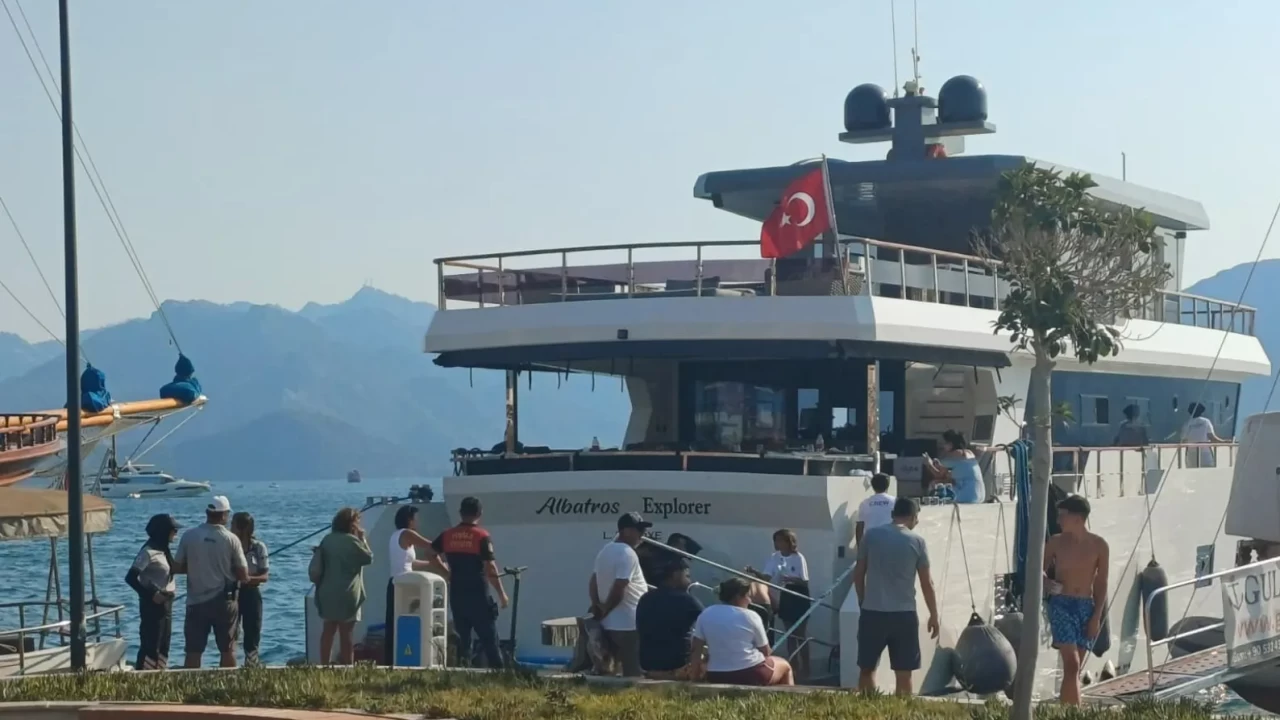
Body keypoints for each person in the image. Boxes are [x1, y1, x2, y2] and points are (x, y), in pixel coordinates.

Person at [853, 497, 939, 696]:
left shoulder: (870, 536)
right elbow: (927, 583)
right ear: (913, 517)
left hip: (872, 612)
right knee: (904, 673)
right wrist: (934, 615)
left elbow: (858, 574)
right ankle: (901, 709)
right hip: (904, 615)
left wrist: (863, 600)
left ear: (892, 514)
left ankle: (867, 707)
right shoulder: (917, 541)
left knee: (867, 669)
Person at [1044, 494, 1110, 706]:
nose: (1058, 520)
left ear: (1077, 518)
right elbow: (1038, 570)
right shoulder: (1056, 542)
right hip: (1061, 604)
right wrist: (1047, 583)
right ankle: (1074, 712)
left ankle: (1069, 711)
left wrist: (1096, 617)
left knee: (1075, 668)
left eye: (1062, 516)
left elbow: (1101, 583)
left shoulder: (1099, 545)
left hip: (1086, 606)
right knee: (1072, 664)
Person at [431, 496, 510, 668]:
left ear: (460, 513)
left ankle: (462, 674)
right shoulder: (481, 536)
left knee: (463, 641)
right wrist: (502, 594)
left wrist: (446, 573)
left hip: (457, 593)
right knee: (490, 640)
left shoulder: (447, 535)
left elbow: (431, 554)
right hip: (478, 593)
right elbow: (490, 568)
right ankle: (500, 675)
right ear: (479, 513)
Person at [173, 495, 248, 669]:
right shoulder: (231, 539)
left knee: (193, 651)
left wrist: (196, 567)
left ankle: (190, 682)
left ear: (207, 513)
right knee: (228, 649)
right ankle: (228, 681)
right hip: (224, 601)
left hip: (195, 602)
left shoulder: (189, 535)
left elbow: (176, 567)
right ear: (224, 515)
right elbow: (243, 574)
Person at [691, 577, 794, 686]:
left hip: (716, 674)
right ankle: (788, 695)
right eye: (747, 596)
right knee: (785, 666)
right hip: (751, 673)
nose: (750, 600)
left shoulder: (706, 614)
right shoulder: (751, 615)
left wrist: (695, 676)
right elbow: (766, 652)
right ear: (738, 597)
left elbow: (696, 648)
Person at [383, 505, 447, 667]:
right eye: (415, 519)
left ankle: (393, 657)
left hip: (396, 581)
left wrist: (430, 564)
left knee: (394, 621)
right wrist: (446, 547)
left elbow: (410, 563)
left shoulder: (395, 535)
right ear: (409, 520)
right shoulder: (407, 533)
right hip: (406, 584)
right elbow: (431, 545)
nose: (417, 522)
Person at [589, 512, 650, 677]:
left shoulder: (605, 550)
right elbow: (620, 585)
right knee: (633, 674)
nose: (643, 535)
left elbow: (593, 581)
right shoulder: (627, 553)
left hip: (609, 624)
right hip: (628, 624)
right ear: (626, 531)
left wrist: (596, 605)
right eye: (639, 530)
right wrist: (605, 609)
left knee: (611, 670)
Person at [315, 507, 374, 665]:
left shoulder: (327, 540)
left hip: (327, 592)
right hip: (347, 592)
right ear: (352, 524)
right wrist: (363, 539)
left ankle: (324, 666)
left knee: (328, 630)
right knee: (346, 633)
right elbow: (369, 558)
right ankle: (347, 667)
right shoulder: (352, 541)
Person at [125, 513, 179, 670]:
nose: (176, 533)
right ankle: (145, 675)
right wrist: (151, 595)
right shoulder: (148, 552)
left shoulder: (164, 550)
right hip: (152, 605)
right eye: (173, 530)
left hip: (167, 604)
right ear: (163, 531)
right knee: (151, 645)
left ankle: (160, 674)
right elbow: (131, 578)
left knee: (164, 645)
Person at [635, 559, 704, 679]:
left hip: (647, 664)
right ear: (676, 575)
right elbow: (710, 623)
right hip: (677, 664)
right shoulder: (687, 600)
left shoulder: (645, 598)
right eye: (687, 576)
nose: (690, 581)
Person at [764, 529, 811, 680]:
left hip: (798, 594)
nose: (777, 543)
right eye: (775, 540)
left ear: (788, 542)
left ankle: (806, 668)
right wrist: (753, 573)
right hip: (785, 594)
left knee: (800, 634)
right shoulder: (775, 557)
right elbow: (766, 576)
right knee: (789, 634)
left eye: (780, 540)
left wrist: (789, 578)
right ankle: (794, 668)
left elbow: (804, 581)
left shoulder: (798, 557)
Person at [231, 511, 269, 666]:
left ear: (243, 528)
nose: (230, 528)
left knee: (253, 631)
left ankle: (251, 664)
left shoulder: (258, 547)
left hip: (252, 593)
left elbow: (264, 576)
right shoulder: (229, 546)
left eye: (233, 525)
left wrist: (247, 579)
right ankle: (229, 665)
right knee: (230, 632)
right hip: (232, 592)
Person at [925, 429, 985, 503]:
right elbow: (948, 473)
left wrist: (929, 464)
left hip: (968, 494)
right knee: (948, 481)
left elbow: (939, 475)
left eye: (945, 443)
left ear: (951, 444)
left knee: (935, 484)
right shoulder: (969, 452)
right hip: (980, 494)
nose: (943, 446)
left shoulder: (955, 454)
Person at [1181, 402, 1226, 468]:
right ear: (1201, 412)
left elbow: (1184, 441)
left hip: (1191, 455)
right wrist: (1224, 442)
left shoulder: (1187, 424)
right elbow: (1212, 438)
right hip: (1206, 455)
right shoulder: (1206, 422)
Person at [855, 473, 896, 545]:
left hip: (871, 542)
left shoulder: (865, 503)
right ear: (888, 485)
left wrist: (860, 547)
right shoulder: (895, 501)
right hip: (890, 541)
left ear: (873, 486)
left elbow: (860, 527)